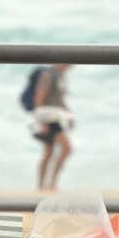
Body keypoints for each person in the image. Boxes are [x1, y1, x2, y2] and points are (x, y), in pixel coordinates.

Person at [22, 62, 75, 191]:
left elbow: (60, 100)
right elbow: (39, 98)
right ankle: (50, 184)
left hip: (55, 117)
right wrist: (42, 122)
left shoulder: (61, 76)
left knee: (49, 151)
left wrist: (69, 116)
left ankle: (44, 185)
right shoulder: (48, 74)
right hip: (47, 118)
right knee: (66, 148)